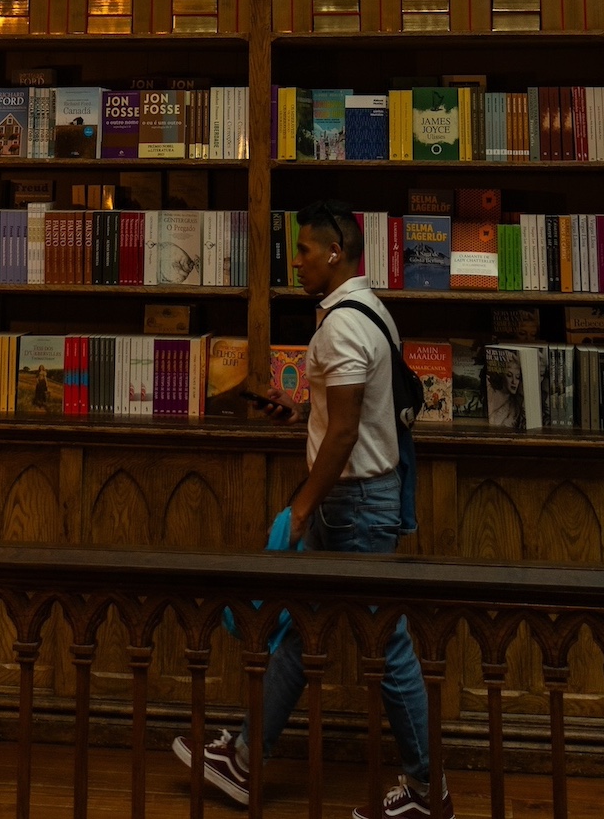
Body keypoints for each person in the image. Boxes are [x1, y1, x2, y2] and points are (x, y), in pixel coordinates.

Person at [173, 199, 453, 819]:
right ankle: (244, 757)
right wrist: (302, 410)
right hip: (355, 499)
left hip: (353, 505)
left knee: (386, 644)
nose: (295, 262)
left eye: (303, 251)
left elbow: (348, 432)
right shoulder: (369, 309)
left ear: (334, 252)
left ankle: (428, 791)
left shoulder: (342, 326)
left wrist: (299, 510)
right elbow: (355, 411)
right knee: (303, 630)